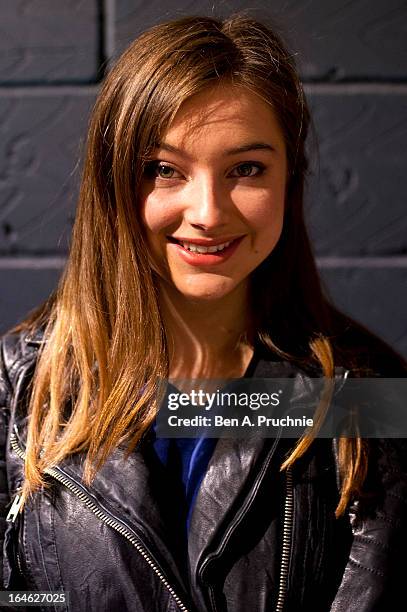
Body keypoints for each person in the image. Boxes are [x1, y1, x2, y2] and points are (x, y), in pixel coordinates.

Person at [0, 14, 406, 612]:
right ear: (114, 184)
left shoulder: (365, 393)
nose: (209, 212)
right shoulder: (18, 383)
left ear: (289, 179)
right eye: (164, 170)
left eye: (246, 169)